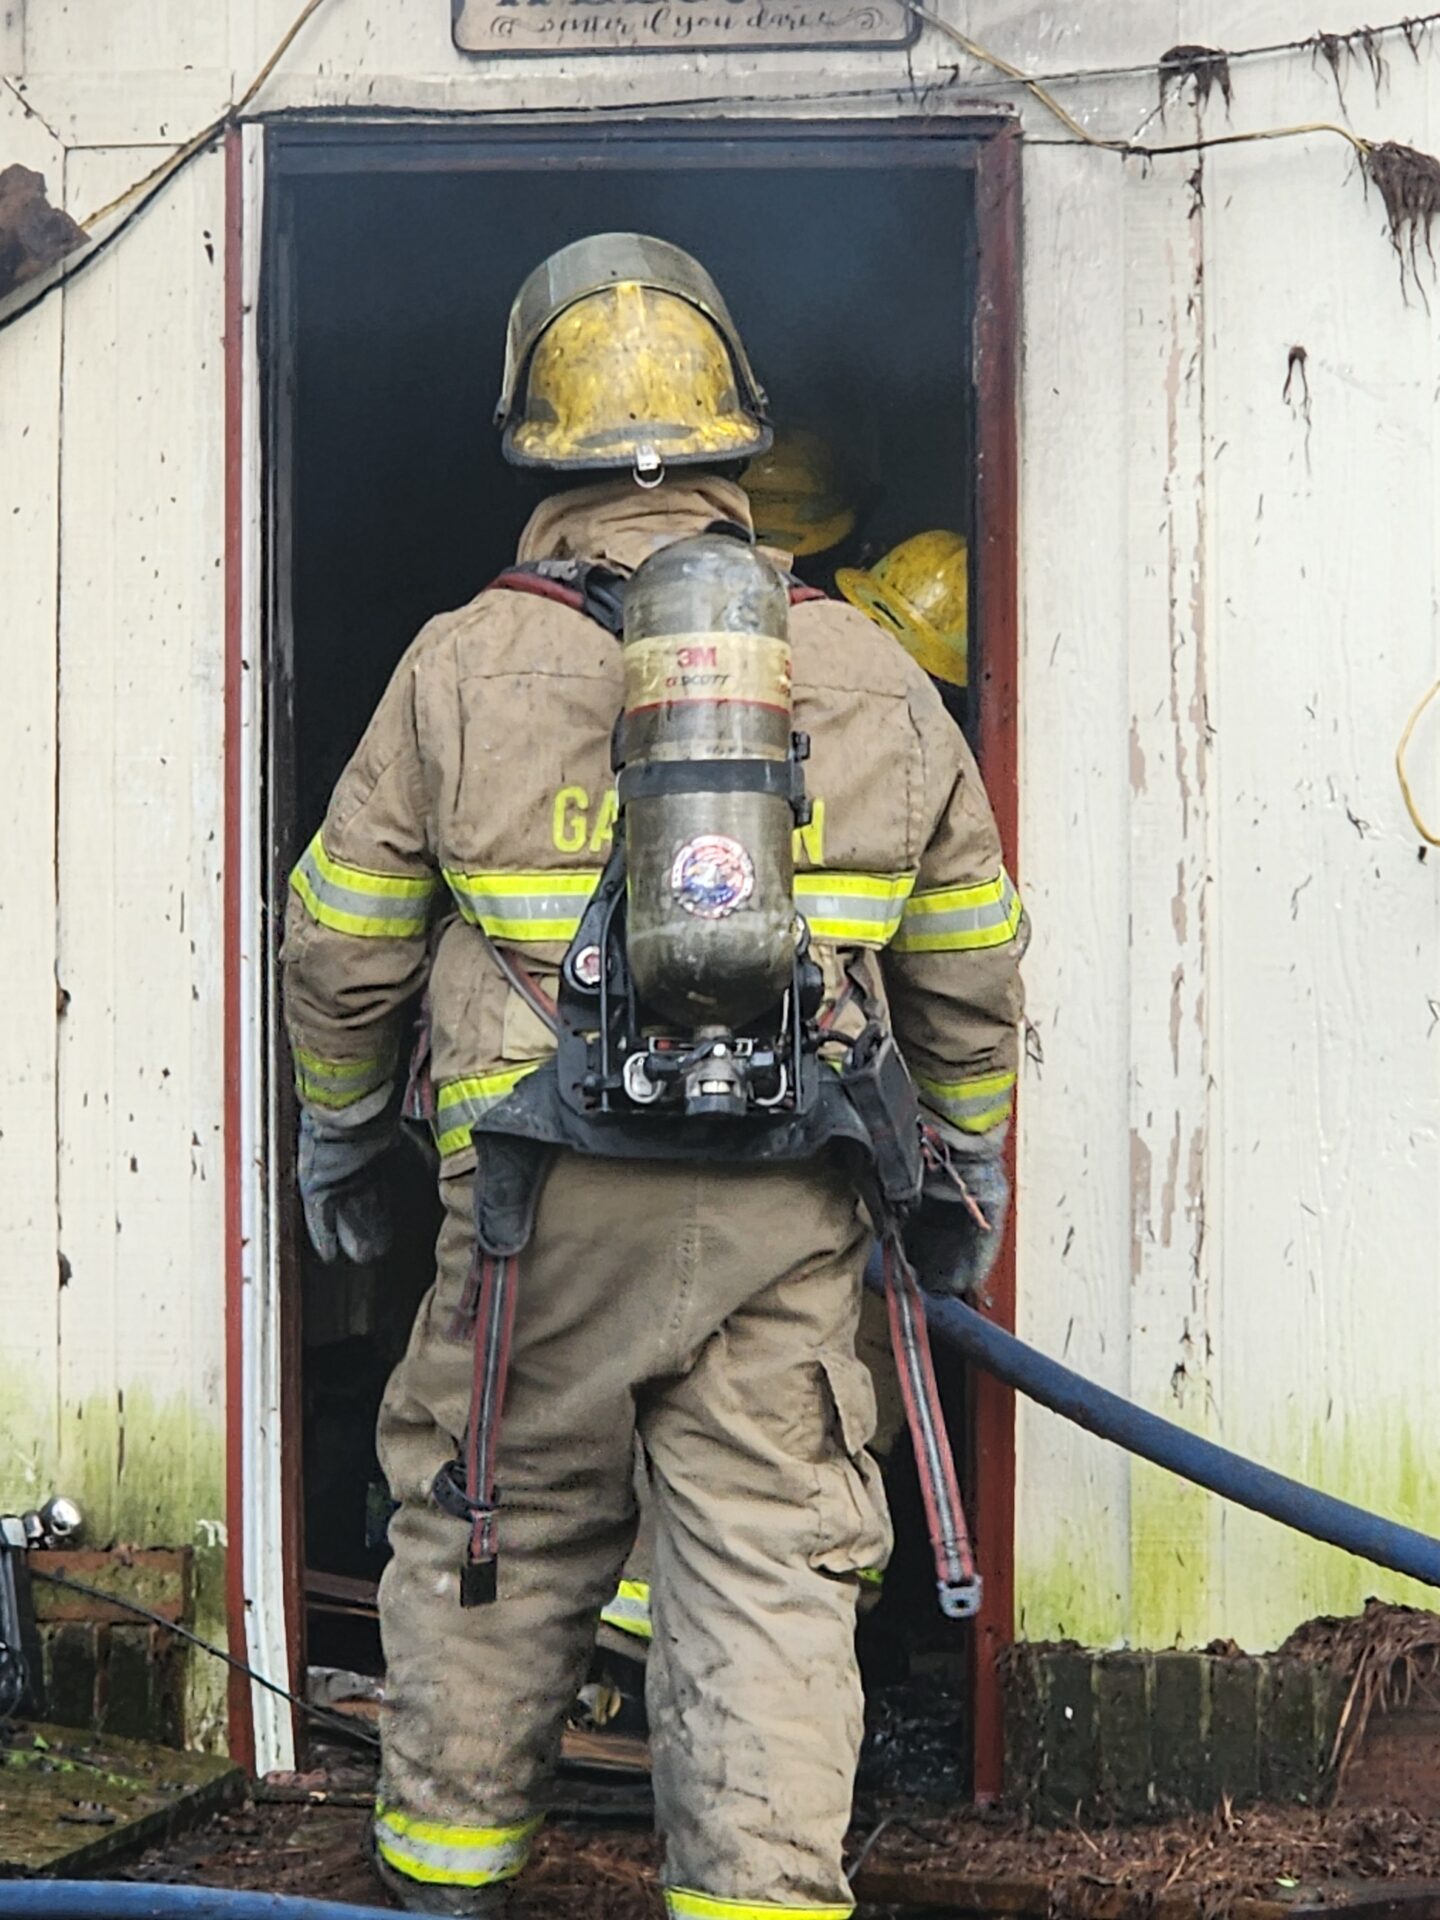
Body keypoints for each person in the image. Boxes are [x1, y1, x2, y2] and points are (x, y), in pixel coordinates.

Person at [282, 232, 1027, 1920]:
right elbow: (970, 964)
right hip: (791, 1195)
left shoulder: (460, 666)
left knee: (497, 1524)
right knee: (773, 1562)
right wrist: (966, 1173)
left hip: (536, 1209)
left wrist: (339, 1132)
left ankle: (446, 1883)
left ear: (531, 443)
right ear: (738, 434)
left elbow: (343, 941)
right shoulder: (869, 673)